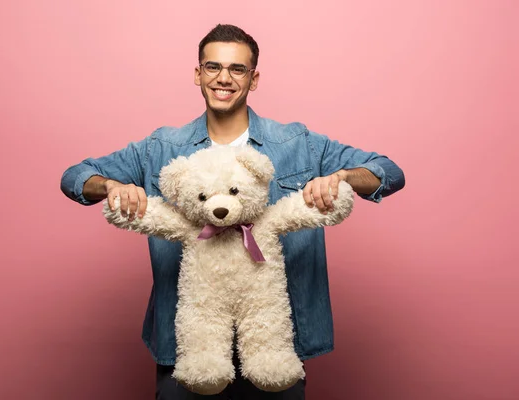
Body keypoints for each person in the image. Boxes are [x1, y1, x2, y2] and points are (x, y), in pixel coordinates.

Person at [61, 24, 405, 400]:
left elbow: (388, 172)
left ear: (253, 79)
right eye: (212, 67)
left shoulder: (297, 143)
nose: (223, 78)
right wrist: (112, 185)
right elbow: (75, 177)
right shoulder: (162, 147)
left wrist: (340, 177)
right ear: (198, 74)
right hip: (191, 343)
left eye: (237, 69)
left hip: (274, 337)